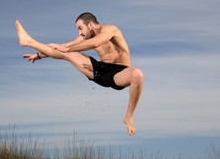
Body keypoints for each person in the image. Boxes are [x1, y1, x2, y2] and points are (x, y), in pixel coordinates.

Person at [15, 12, 143, 135]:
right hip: (100, 71)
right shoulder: (84, 37)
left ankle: (128, 117)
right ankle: (28, 41)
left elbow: (96, 42)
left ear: (91, 24)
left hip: (119, 73)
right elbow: (63, 47)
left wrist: (67, 49)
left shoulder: (111, 29)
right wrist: (39, 55)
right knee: (68, 53)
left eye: (80, 28)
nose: (80, 32)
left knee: (137, 74)